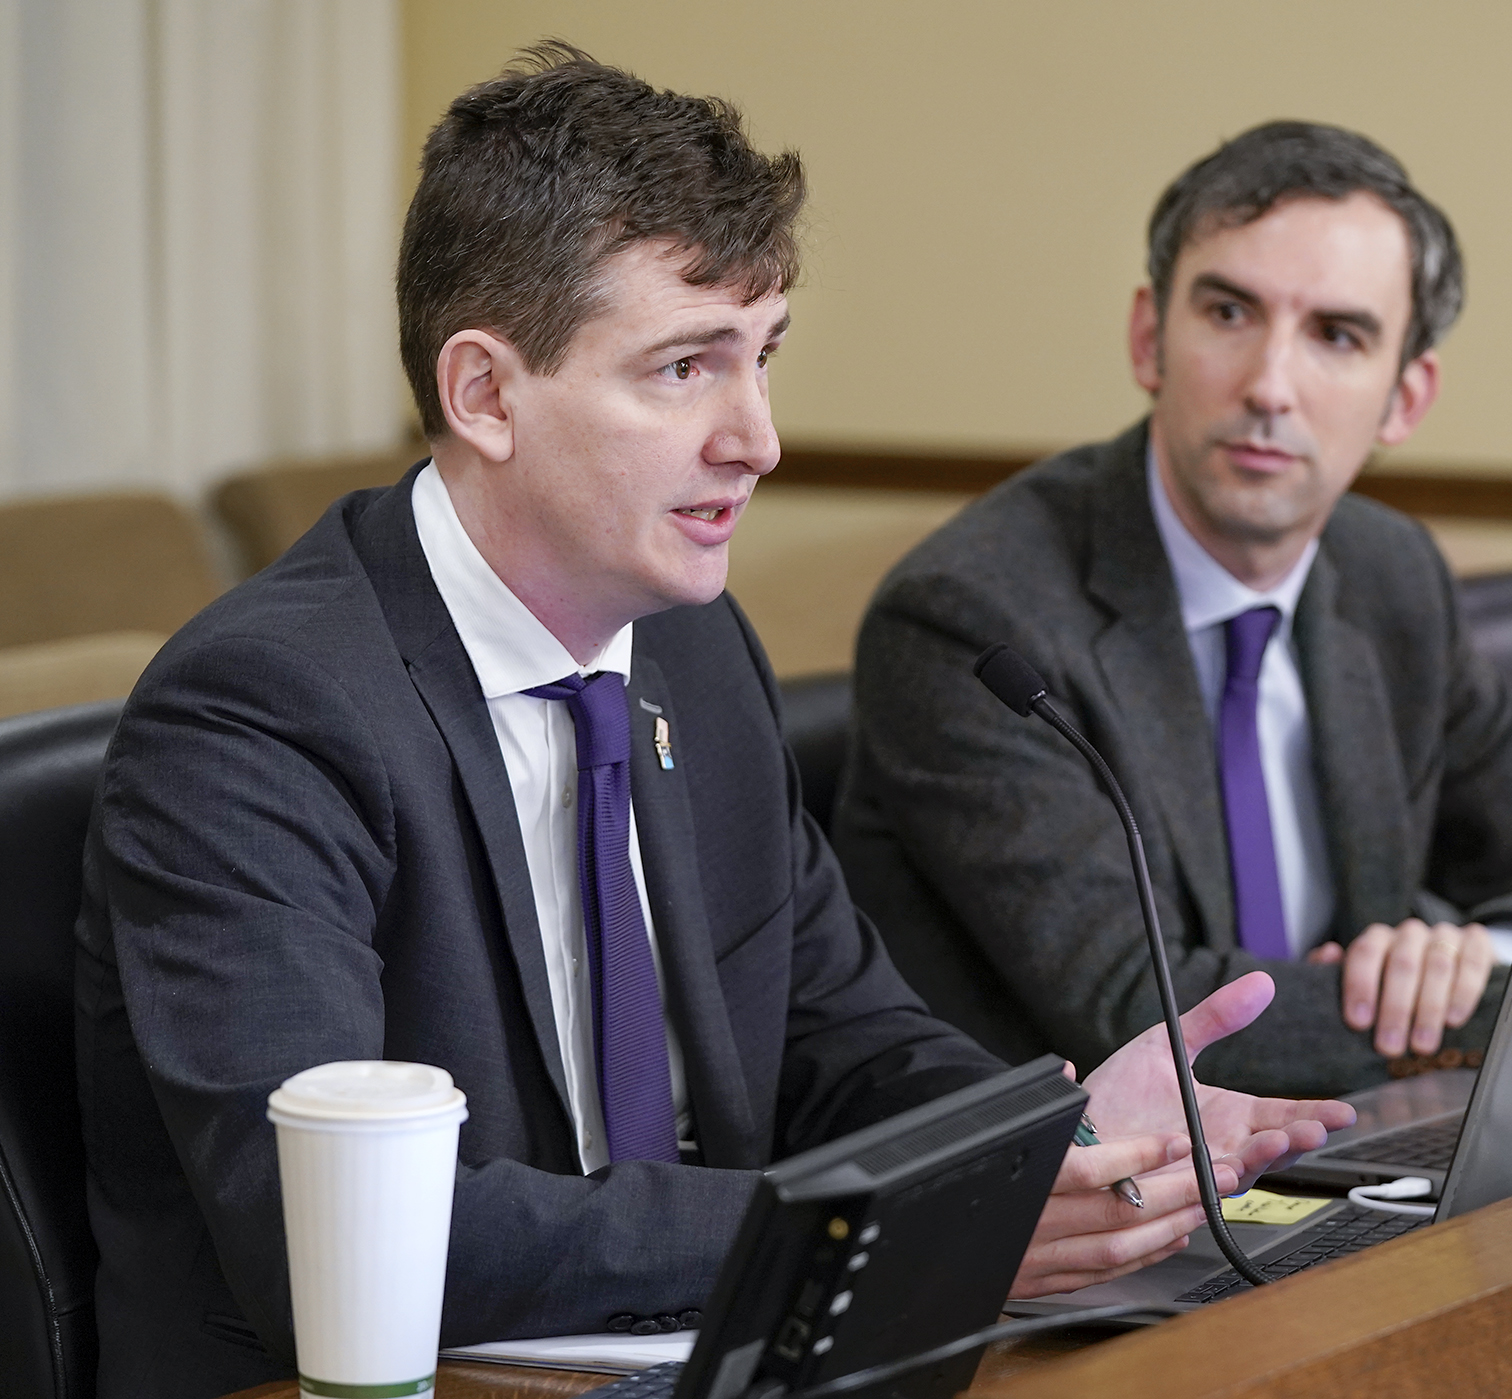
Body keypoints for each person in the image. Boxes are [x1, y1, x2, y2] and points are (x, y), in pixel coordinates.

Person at [74, 49, 1348, 1399]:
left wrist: (1049, 1143)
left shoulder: (690, 641)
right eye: (686, 367)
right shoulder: (262, 714)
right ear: (485, 394)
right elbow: (338, 1231)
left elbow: (836, 1034)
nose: (759, 437)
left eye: (762, 359)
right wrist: (836, 1230)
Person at [832, 122, 1512, 1099]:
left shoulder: (1389, 575)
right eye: (1228, 312)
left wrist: (1478, 956)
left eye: (1337, 336)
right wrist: (1499, 1002)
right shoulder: (975, 620)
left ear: (1405, 397)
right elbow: (1148, 1014)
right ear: (1149, 337)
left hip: (1342, 1143)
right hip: (1087, 1198)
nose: (1269, 387)